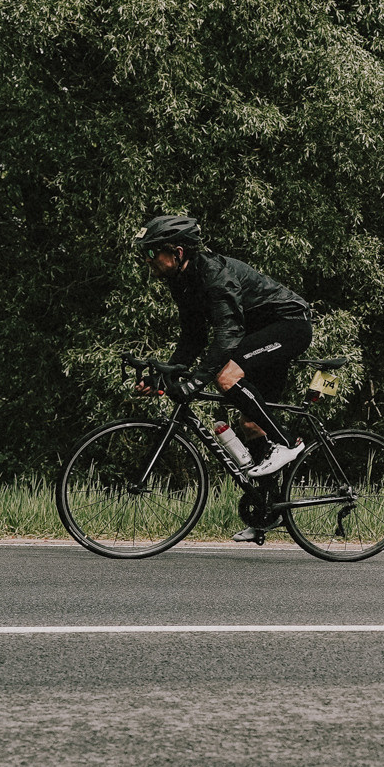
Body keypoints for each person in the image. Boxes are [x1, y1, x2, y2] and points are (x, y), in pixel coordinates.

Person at [135, 215, 313, 540]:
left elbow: (227, 336)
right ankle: (267, 512)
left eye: (151, 253)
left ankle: (287, 443)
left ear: (176, 252)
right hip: (259, 335)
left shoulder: (215, 275)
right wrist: (168, 375)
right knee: (250, 424)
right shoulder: (182, 280)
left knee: (226, 373)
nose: (147, 260)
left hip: (289, 325)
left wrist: (196, 380)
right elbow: (192, 338)